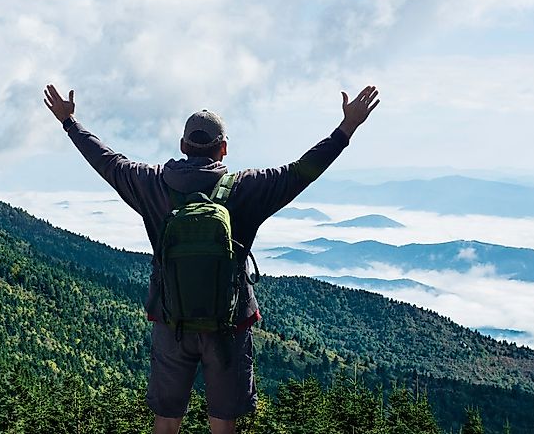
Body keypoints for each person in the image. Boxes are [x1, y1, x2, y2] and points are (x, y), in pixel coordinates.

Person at [43, 83, 379, 434]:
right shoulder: (249, 187)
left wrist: (70, 123)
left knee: (167, 419)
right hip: (228, 324)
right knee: (223, 422)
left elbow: (108, 162)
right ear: (224, 149)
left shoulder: (151, 183)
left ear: (183, 146)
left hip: (170, 321)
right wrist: (346, 128)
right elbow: (301, 172)